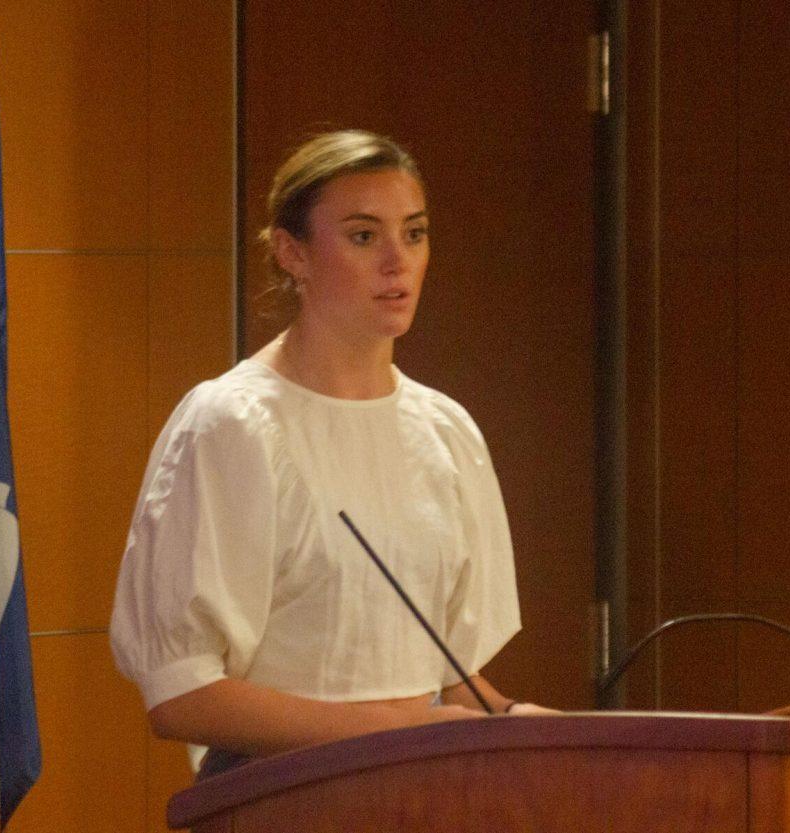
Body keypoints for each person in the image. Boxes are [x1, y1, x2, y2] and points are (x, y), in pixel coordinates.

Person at [110, 129, 549, 779]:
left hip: (424, 796)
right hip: (279, 799)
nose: (397, 262)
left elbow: (446, 680)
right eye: (365, 236)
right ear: (293, 253)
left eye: (415, 233)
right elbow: (182, 694)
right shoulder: (232, 427)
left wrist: (522, 722)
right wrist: (403, 731)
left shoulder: (444, 429)